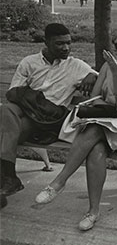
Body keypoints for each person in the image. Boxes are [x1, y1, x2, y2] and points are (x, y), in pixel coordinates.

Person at [34, 29, 117, 231]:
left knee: (95, 131)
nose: (113, 50)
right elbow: (95, 95)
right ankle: (93, 212)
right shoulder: (108, 67)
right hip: (104, 119)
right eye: (114, 45)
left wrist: (116, 75)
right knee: (97, 150)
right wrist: (102, 108)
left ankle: (59, 182)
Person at [0, 23, 97, 196]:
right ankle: (8, 178)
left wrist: (92, 75)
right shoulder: (29, 62)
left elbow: (101, 78)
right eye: (59, 43)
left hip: (47, 121)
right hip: (26, 112)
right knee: (8, 110)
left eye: (68, 42)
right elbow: (13, 93)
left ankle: (9, 177)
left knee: (5, 128)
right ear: (46, 42)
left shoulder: (76, 66)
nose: (66, 47)